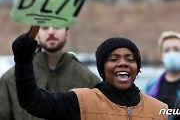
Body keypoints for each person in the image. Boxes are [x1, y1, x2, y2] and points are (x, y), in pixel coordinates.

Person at [12, 34, 168, 120]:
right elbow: (32, 101)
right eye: (113, 59)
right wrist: (23, 60)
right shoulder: (80, 101)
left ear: (137, 67)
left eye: (130, 59)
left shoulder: (159, 109)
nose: (123, 63)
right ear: (102, 68)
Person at [0, 27, 100, 120]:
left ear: (67, 33)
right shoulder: (10, 79)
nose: (51, 32)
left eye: (57, 26)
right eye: (45, 27)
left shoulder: (89, 80)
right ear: (37, 35)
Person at [143, 31, 180, 120]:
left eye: (176, 49)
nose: (171, 54)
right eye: (167, 50)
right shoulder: (151, 86)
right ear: (161, 56)